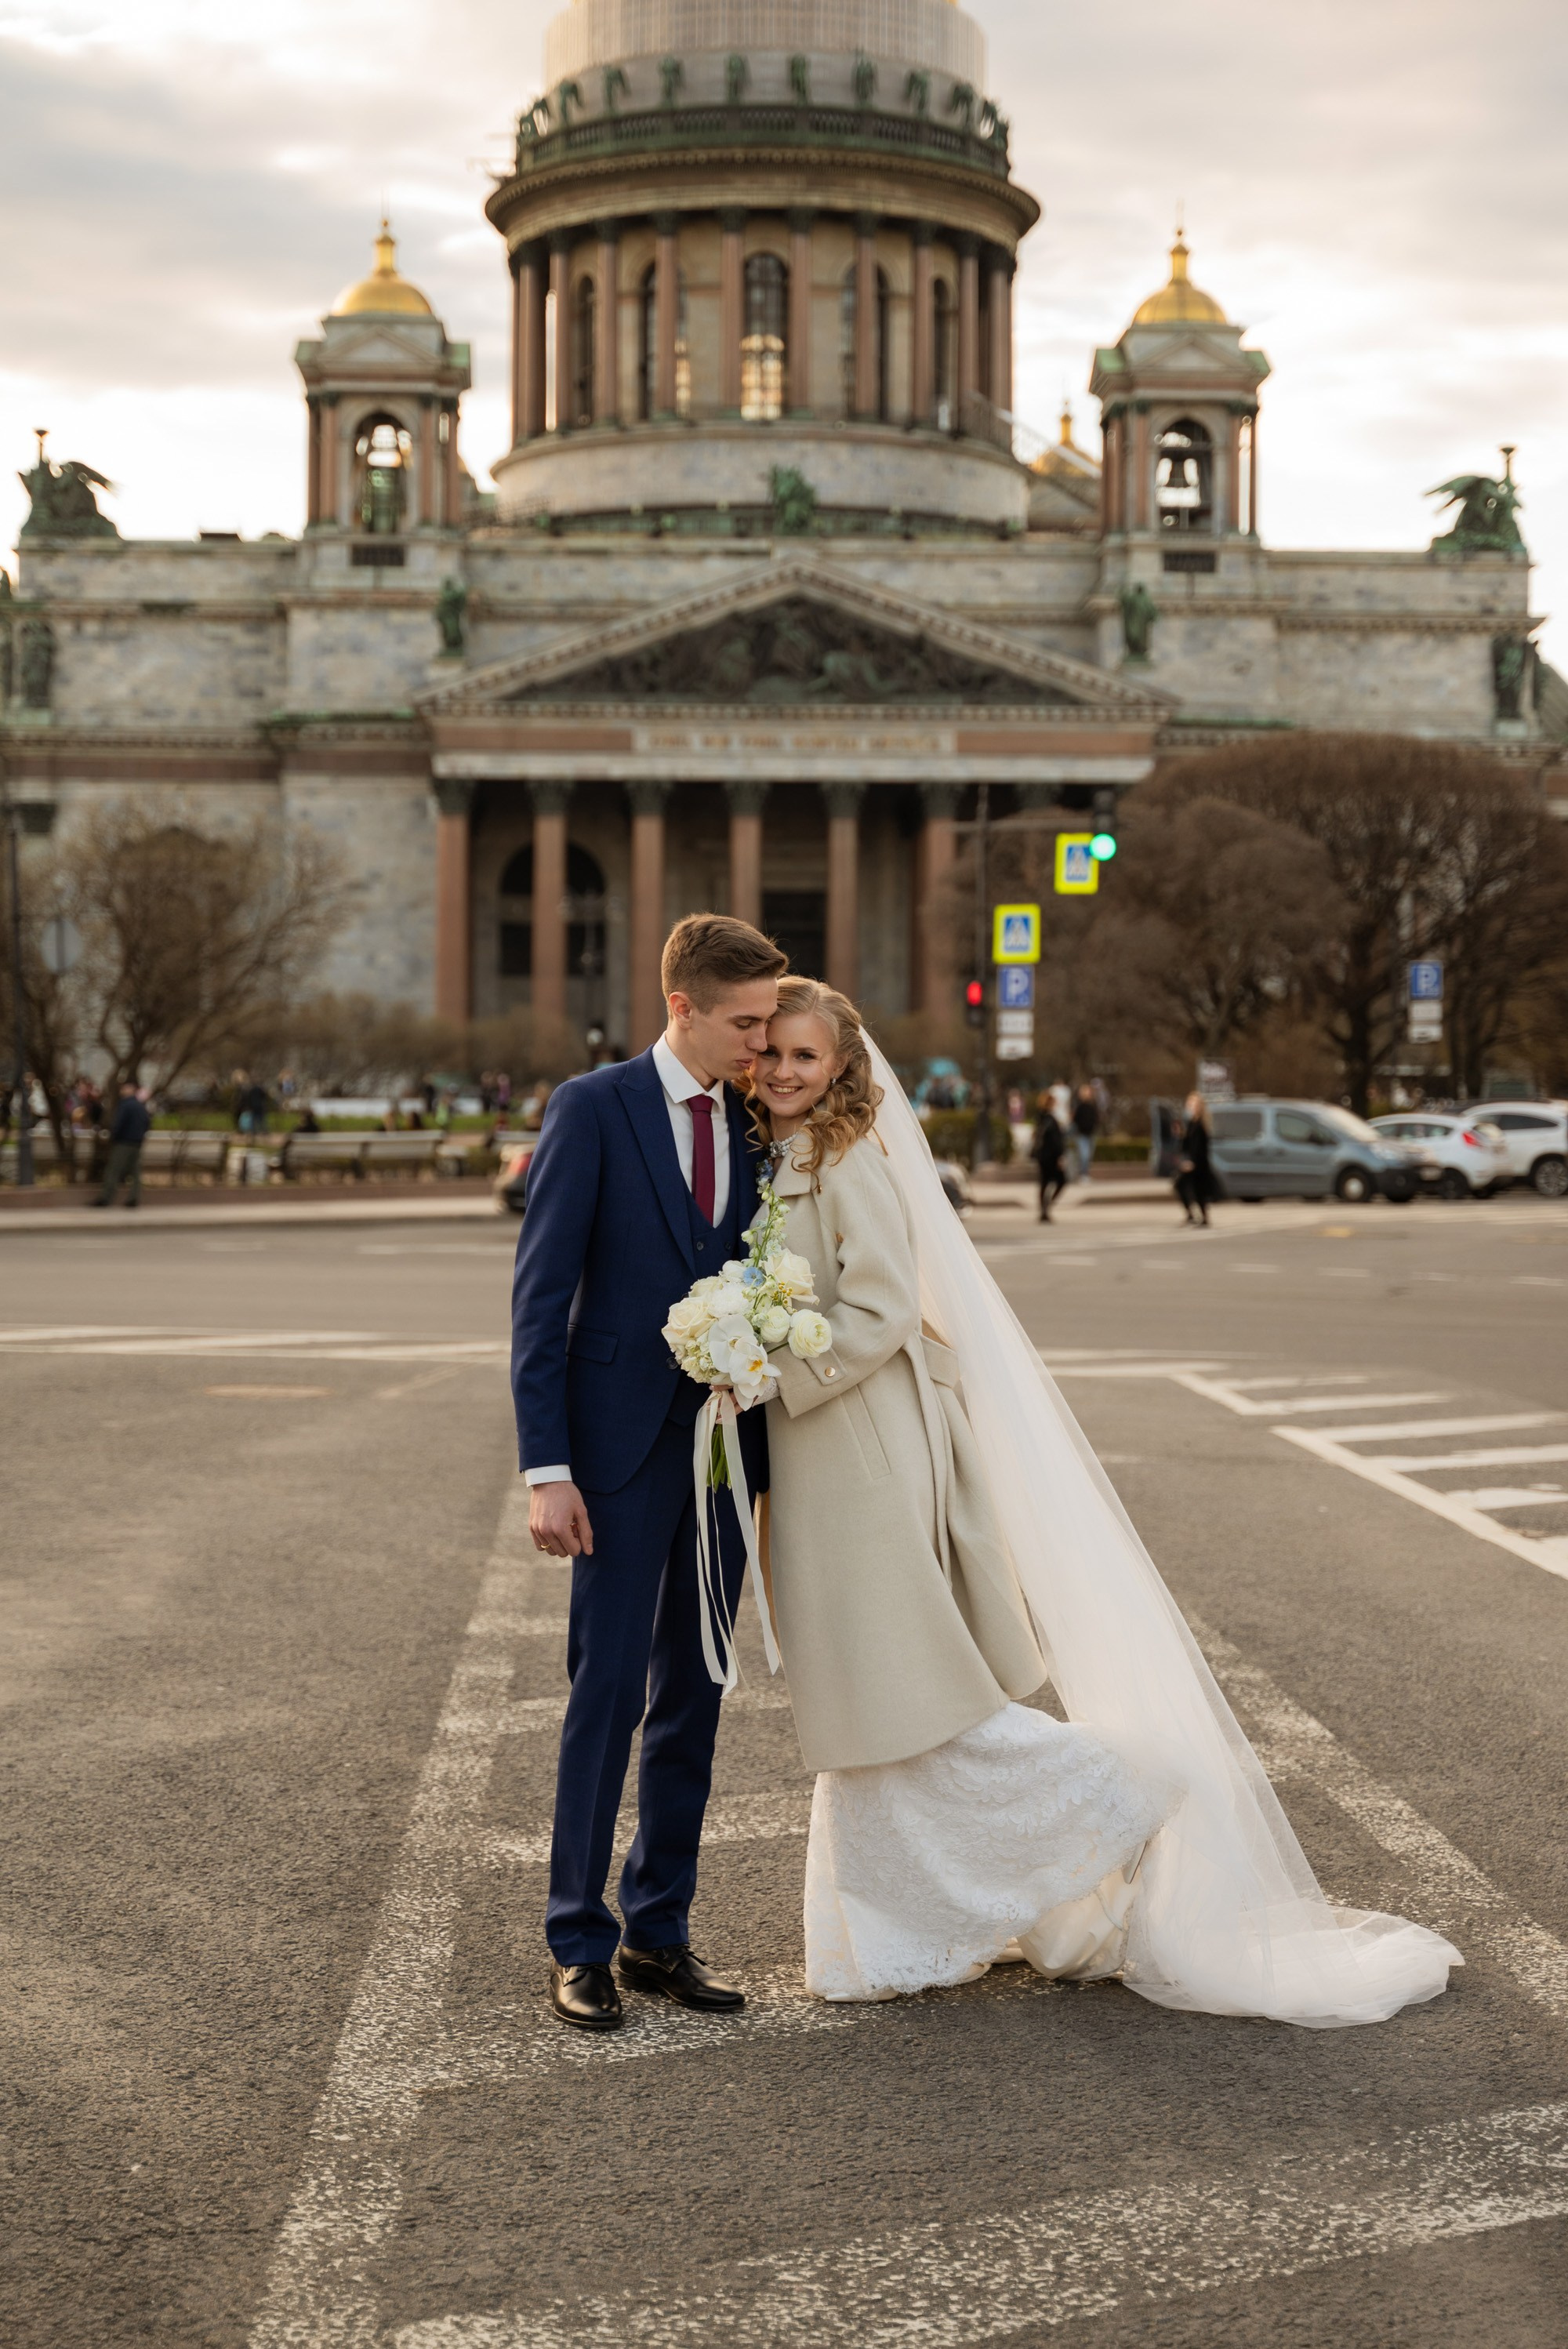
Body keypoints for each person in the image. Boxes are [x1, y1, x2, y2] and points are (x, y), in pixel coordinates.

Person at [742, 978, 1458, 2025]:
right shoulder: (782, 1154)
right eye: (774, 1056)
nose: (785, 1073)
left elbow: (886, 1307)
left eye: (807, 1058)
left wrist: (772, 1370)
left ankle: (1124, 1781)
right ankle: (889, 1934)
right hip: (821, 1444)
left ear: (844, 1067)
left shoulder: (849, 1159)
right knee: (876, 1696)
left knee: (901, 1687)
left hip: (858, 1444)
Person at [511, 912, 788, 2034]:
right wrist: (548, 1468)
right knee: (607, 1695)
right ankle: (575, 1938)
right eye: (745, 1023)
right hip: (616, 1456)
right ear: (682, 1008)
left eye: (770, 1025)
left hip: (723, 1451)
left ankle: (658, 1929)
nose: (761, 1046)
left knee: (696, 1695)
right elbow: (539, 1302)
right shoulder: (593, 1109)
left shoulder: (760, 1123)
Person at [92, 1081, 151, 1209]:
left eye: (125, 1088)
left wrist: (113, 1137)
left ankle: (106, 1198)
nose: (122, 1090)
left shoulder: (126, 1105)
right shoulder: (140, 1106)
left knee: (113, 1170)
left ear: (131, 1089)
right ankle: (134, 1198)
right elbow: (147, 1122)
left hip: (123, 1142)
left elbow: (119, 1124)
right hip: (137, 1143)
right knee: (135, 1172)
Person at [1174, 1092, 1216, 1227]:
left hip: (1199, 1164)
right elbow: (1186, 1145)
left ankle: (1204, 1218)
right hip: (1191, 1163)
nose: (1191, 1107)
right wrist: (1181, 1135)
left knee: (1199, 1191)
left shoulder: (1201, 1124)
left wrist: (1193, 1162)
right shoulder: (1192, 1123)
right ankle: (1191, 1214)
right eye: (1190, 1104)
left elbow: (1201, 1147)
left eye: (1194, 1104)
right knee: (1180, 1186)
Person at [1029, 1091, 1068, 1222]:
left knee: (1044, 1183)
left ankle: (1044, 1210)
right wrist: (1060, 1156)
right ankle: (1047, 1208)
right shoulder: (1051, 1120)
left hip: (1041, 1156)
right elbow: (1056, 1141)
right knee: (1062, 1181)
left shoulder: (1039, 1118)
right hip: (1051, 1157)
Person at [1071, 1081, 1100, 1182]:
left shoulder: (1093, 1105)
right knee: (1084, 1155)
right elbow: (1075, 1120)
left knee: (1088, 1156)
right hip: (1081, 1134)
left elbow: (1096, 1118)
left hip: (1091, 1133)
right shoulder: (1078, 1105)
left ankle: (1085, 1174)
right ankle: (1082, 1175)